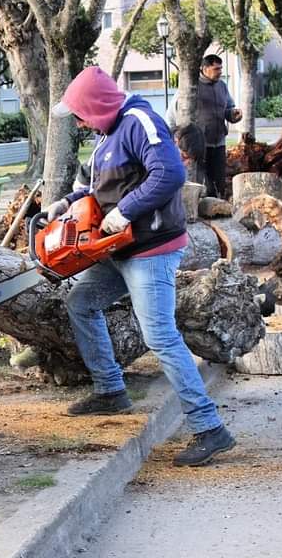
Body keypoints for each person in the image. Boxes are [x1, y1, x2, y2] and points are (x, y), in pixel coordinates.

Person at [46, 66, 236, 467]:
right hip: (118, 249)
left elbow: (170, 172)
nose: (79, 122)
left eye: (80, 114)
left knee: (161, 337)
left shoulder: (139, 122)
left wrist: (127, 211)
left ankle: (209, 428)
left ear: (95, 107)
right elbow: (99, 188)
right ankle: (111, 389)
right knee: (81, 303)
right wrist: (65, 204)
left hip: (151, 247)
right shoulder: (105, 137)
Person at [166, 55, 242, 199]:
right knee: (198, 182)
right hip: (199, 146)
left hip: (219, 143)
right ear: (205, 69)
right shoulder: (191, 87)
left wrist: (233, 114)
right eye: (216, 69)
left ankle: (217, 207)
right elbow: (172, 114)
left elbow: (229, 108)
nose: (220, 71)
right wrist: (175, 136)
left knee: (218, 181)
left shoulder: (222, 86)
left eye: (221, 68)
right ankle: (197, 209)